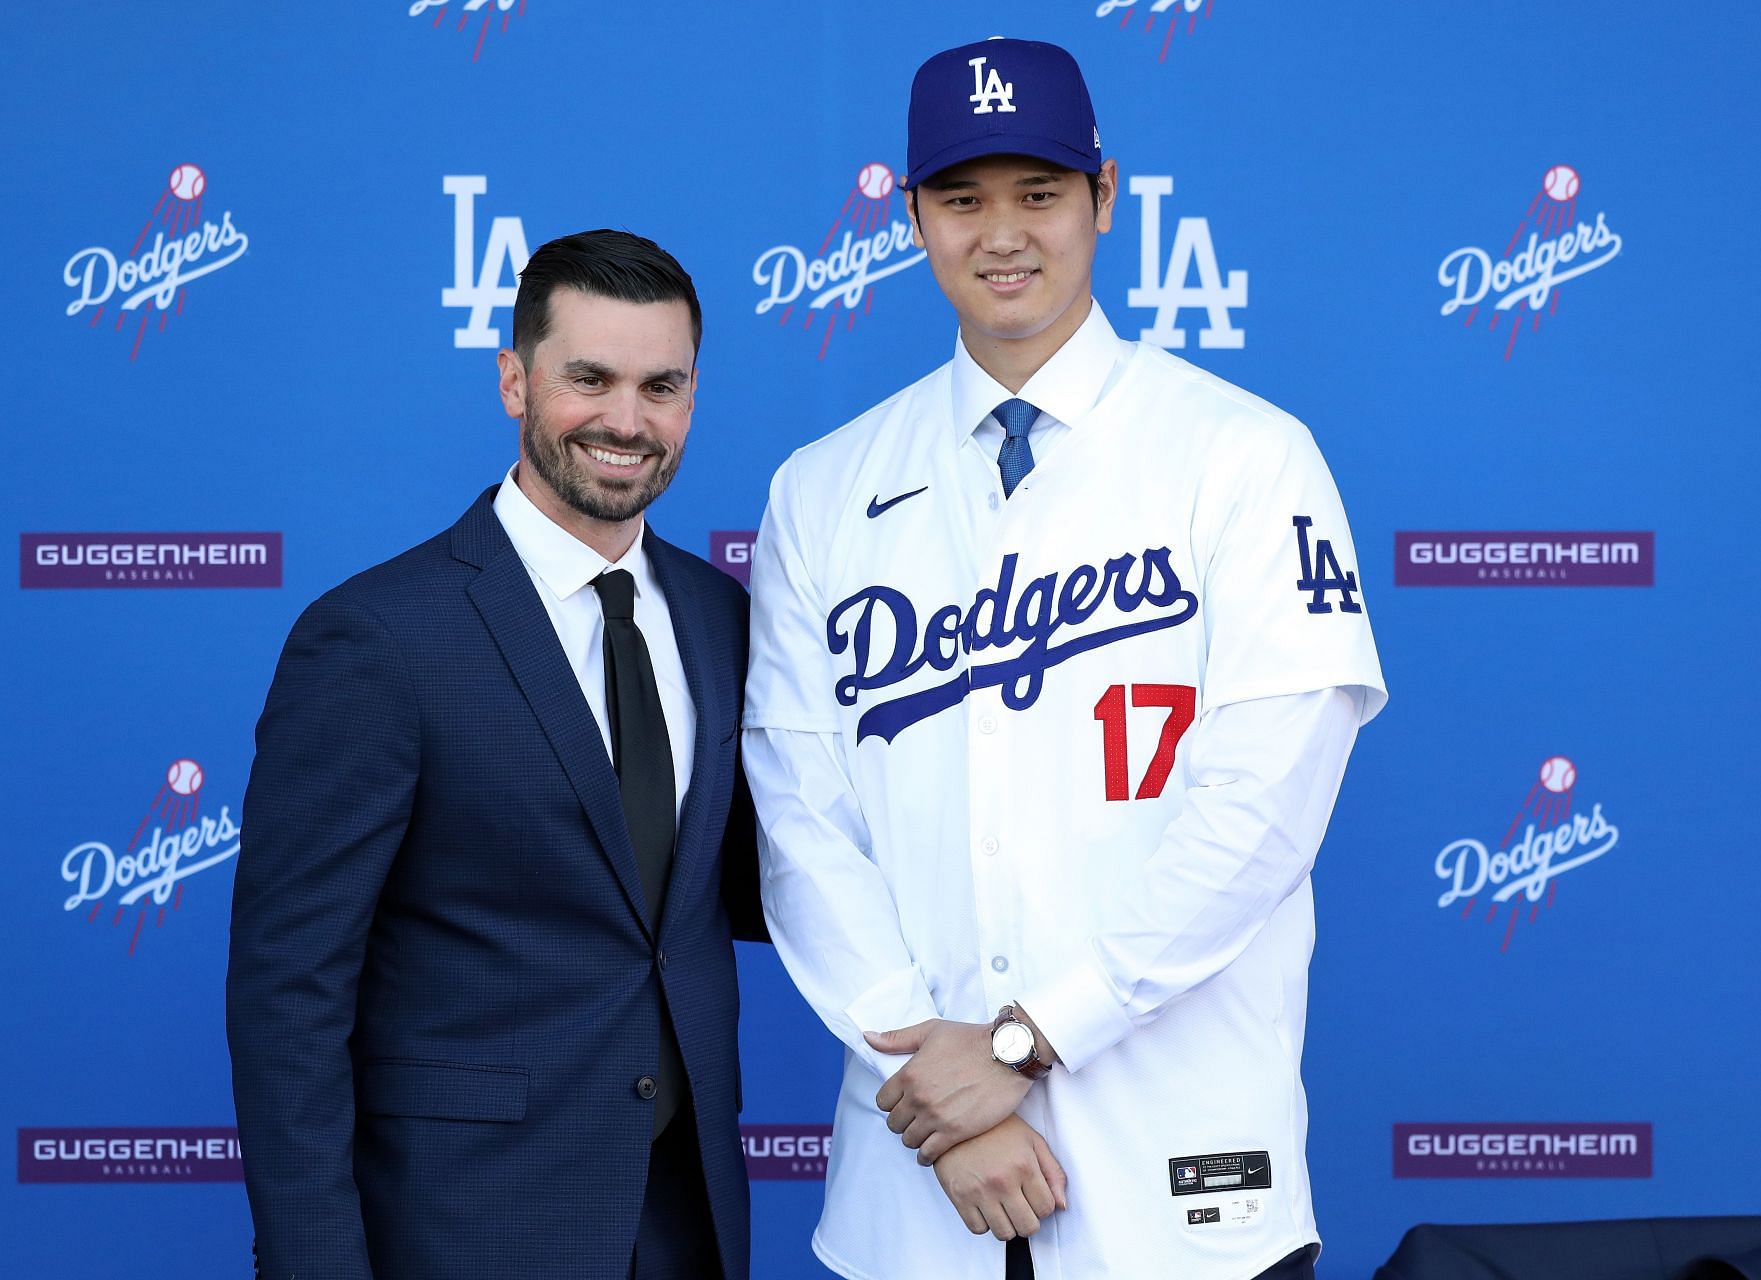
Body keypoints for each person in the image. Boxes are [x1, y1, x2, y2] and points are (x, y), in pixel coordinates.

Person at [744, 37, 1386, 1280]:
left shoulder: (1245, 456)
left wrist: (1028, 1042)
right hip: (918, 1185)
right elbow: (799, 820)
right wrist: (930, 1079)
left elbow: (1260, 809)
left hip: (1185, 1179)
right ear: (911, 215)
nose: (1003, 234)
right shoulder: (823, 488)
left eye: (1038, 193)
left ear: (1104, 196)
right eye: (962, 198)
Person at [228, 230, 764, 1280]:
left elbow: (754, 886)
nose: (627, 419)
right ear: (514, 380)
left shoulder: (722, 618)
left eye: (663, 384)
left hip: (687, 1226)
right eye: (589, 379)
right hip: (462, 1224)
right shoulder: (380, 638)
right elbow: (289, 995)